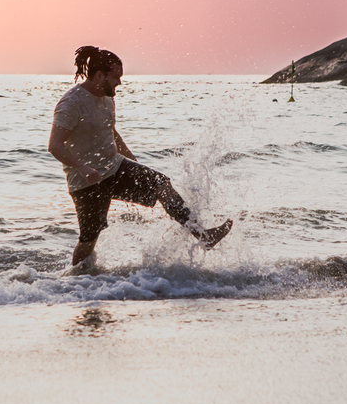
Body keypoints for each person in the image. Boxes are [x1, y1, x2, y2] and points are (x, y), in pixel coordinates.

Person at [49, 46, 233, 270]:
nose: (119, 82)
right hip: (86, 182)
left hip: (114, 168)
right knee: (89, 238)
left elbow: (111, 133)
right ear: (99, 75)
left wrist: (133, 162)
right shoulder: (71, 103)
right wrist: (81, 167)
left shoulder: (107, 98)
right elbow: (54, 145)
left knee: (161, 185)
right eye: (116, 77)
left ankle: (203, 236)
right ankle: (77, 280)